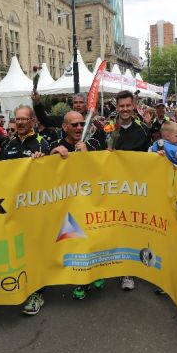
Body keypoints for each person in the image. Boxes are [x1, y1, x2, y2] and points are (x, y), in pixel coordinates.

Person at [0, 105, 51, 314]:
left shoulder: (42, 143)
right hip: (11, 207)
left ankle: (37, 293)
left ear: (32, 121)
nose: (21, 122)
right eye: (18, 119)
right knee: (14, 250)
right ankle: (11, 286)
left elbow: (53, 173)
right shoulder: (8, 143)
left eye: (25, 119)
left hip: (34, 208)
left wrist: (44, 161)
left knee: (35, 251)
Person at [50, 110, 103, 300]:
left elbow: (104, 171)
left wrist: (87, 155)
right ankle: (82, 281)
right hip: (68, 206)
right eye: (74, 125)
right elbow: (45, 175)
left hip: (91, 202)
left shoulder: (94, 144)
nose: (79, 127)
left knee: (93, 241)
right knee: (76, 244)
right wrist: (51, 155)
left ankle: (97, 272)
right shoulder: (55, 145)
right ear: (65, 127)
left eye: (82, 124)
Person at [104, 90, 150, 291]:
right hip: (111, 189)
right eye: (121, 106)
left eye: (128, 106)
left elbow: (148, 160)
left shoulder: (143, 131)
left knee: (131, 230)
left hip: (133, 190)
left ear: (133, 106)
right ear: (117, 107)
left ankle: (128, 272)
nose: (124, 109)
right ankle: (110, 265)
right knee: (112, 229)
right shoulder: (107, 129)